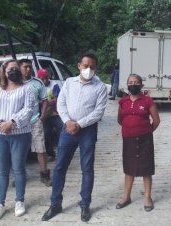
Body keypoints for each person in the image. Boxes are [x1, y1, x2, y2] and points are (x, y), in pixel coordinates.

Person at [42, 53, 108, 222]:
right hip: (67, 130)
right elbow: (61, 103)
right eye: (85, 66)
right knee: (59, 168)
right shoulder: (69, 83)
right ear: (79, 65)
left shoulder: (100, 87)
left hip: (87, 131)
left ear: (96, 68)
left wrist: (79, 124)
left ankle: (85, 204)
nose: (88, 69)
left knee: (87, 168)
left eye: (92, 66)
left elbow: (98, 112)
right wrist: (67, 121)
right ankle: (55, 203)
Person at [0, 59, 34, 221]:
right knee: (1, 171)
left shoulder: (27, 89)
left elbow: (28, 110)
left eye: (16, 68)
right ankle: (0, 203)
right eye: (11, 68)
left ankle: (20, 200)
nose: (14, 71)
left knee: (18, 168)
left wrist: (11, 122)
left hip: (20, 134)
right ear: (4, 71)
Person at [115, 74, 160, 211]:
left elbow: (156, 120)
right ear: (127, 85)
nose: (133, 84)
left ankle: (147, 197)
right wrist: (130, 129)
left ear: (141, 85)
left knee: (146, 169)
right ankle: (126, 197)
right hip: (128, 139)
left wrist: (146, 131)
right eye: (130, 82)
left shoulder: (147, 101)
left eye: (136, 82)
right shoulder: (123, 101)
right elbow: (119, 119)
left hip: (145, 140)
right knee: (129, 169)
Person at [19, 59, 51, 186]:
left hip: (34, 121)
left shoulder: (37, 83)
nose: (28, 69)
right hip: (19, 123)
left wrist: (42, 116)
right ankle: (20, 176)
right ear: (19, 68)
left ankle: (44, 175)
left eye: (30, 67)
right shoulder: (15, 83)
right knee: (19, 151)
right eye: (25, 67)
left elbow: (44, 101)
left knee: (40, 149)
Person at [37, 68, 63, 160]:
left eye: (46, 78)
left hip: (56, 114)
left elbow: (56, 100)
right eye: (42, 78)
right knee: (45, 136)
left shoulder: (54, 85)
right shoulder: (38, 86)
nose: (44, 80)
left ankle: (61, 154)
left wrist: (43, 102)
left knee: (62, 133)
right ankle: (51, 153)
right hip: (45, 116)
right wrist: (47, 102)